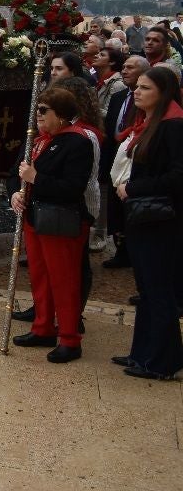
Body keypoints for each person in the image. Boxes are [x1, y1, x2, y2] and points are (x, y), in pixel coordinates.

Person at [8, 87, 97, 363]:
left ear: (61, 115)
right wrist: (16, 193)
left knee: (64, 280)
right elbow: (17, 172)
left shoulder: (78, 141)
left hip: (62, 221)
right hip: (36, 217)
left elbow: (72, 187)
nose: (38, 115)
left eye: (44, 110)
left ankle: (70, 339)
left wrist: (35, 178)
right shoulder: (38, 140)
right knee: (41, 277)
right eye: (37, 109)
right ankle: (43, 327)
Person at [113, 66, 183, 380]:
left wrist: (132, 188)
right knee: (147, 289)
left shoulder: (173, 125)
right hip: (144, 217)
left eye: (145, 88)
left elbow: (177, 176)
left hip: (161, 221)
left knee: (159, 289)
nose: (137, 92)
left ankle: (162, 360)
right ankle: (142, 352)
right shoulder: (150, 122)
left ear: (163, 92)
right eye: (137, 87)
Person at [101, 55, 149, 269]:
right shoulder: (119, 96)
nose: (125, 70)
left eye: (131, 67)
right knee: (115, 208)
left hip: (135, 160)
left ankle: (133, 250)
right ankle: (120, 249)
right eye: (124, 67)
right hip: (115, 155)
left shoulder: (146, 101)